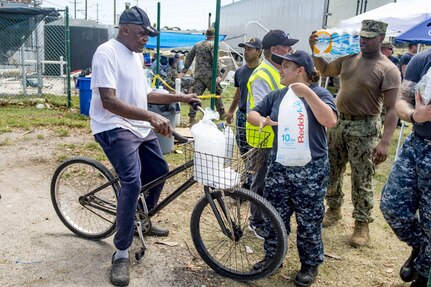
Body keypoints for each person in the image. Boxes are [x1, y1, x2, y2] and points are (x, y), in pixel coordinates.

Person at [89, 6, 199, 286]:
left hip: (137, 125)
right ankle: (121, 252)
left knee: (160, 169)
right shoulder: (107, 52)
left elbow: (145, 93)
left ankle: (141, 219)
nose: (145, 40)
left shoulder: (136, 56)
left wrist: (182, 98)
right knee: (132, 181)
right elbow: (109, 102)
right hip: (113, 125)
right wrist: (150, 115)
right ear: (125, 29)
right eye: (142, 34)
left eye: (148, 35)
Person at [248, 50, 337, 287]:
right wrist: (262, 121)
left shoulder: (320, 93)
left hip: (311, 169)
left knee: (309, 219)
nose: (280, 70)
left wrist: (307, 93)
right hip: (280, 166)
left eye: (286, 66)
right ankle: (272, 257)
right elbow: (252, 113)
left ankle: (309, 264)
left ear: (301, 71)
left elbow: (330, 121)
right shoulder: (278, 96)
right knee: (274, 215)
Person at [309, 19, 401, 247]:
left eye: (369, 37)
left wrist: (384, 143)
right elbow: (325, 69)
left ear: (381, 39)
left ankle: (362, 223)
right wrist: (315, 51)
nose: (364, 41)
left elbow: (392, 110)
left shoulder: (388, 69)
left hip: (365, 127)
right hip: (339, 123)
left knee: (362, 177)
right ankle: (334, 208)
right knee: (332, 169)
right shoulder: (349, 57)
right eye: (362, 36)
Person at [380, 48, 431, 287]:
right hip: (417, 143)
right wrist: (413, 115)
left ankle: (422, 274)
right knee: (392, 207)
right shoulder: (422, 60)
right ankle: (420, 246)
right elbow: (401, 100)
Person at [246, 29, 298, 237]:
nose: (290, 50)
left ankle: (268, 218)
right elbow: (263, 109)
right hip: (262, 138)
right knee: (260, 181)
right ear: (274, 50)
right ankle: (256, 220)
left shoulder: (279, 72)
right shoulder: (261, 75)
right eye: (287, 47)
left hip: (276, 138)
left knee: (271, 182)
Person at [225, 37, 262, 172]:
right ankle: (248, 171)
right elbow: (239, 91)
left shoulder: (263, 71)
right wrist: (230, 111)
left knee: (256, 148)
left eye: (249, 49)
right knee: (242, 145)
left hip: (257, 115)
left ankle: (254, 174)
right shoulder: (240, 71)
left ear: (259, 52)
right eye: (245, 49)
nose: (245, 52)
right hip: (242, 114)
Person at [180, 28, 226, 125]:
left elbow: (189, 57)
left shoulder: (197, 45)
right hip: (210, 75)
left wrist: (185, 69)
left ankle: (191, 117)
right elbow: (215, 60)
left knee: (196, 96)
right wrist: (218, 74)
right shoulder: (213, 45)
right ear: (215, 35)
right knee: (217, 94)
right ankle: (222, 114)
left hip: (198, 75)